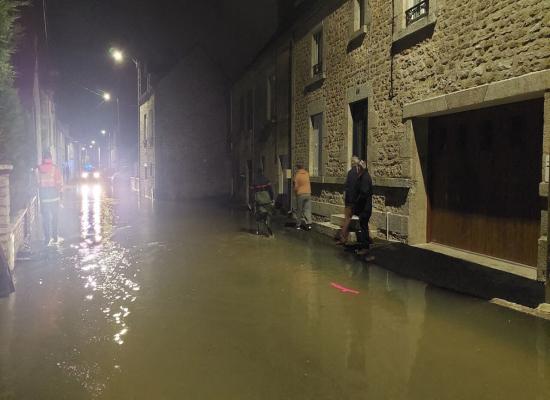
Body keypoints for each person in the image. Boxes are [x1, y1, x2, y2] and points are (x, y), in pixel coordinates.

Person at [37, 150, 63, 245]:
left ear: (43, 158)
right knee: (55, 217)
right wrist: (61, 196)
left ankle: (47, 238)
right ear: (51, 158)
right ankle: (55, 237)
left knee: (45, 218)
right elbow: (59, 184)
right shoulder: (55, 169)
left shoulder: (39, 169)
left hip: (44, 198)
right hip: (54, 197)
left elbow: (37, 183)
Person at [338, 156, 360, 245]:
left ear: (352, 163)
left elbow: (346, 187)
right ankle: (366, 239)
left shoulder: (350, 173)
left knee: (347, 220)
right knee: (363, 220)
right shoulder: (359, 173)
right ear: (357, 163)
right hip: (356, 200)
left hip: (349, 200)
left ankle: (343, 238)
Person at [353, 160, 373, 255]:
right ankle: (366, 245)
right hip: (365, 208)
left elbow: (364, 193)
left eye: (357, 167)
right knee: (364, 226)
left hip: (365, 208)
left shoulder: (365, 177)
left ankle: (365, 248)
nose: (356, 169)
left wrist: (357, 202)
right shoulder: (364, 176)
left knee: (364, 227)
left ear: (360, 168)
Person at [250, 169, 274, 236]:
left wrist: (252, 201)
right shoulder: (266, 179)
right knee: (269, 214)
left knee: (258, 215)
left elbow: (252, 192)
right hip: (267, 199)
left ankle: (258, 230)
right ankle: (268, 225)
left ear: (257, 173)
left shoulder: (254, 181)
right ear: (263, 173)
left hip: (258, 200)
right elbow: (270, 190)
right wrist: (272, 198)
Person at [293, 162, 312, 230]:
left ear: (297, 168)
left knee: (299, 210)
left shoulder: (297, 175)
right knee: (307, 209)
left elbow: (296, 186)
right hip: (308, 193)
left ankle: (298, 225)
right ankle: (309, 224)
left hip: (300, 194)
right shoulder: (307, 174)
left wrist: (295, 192)